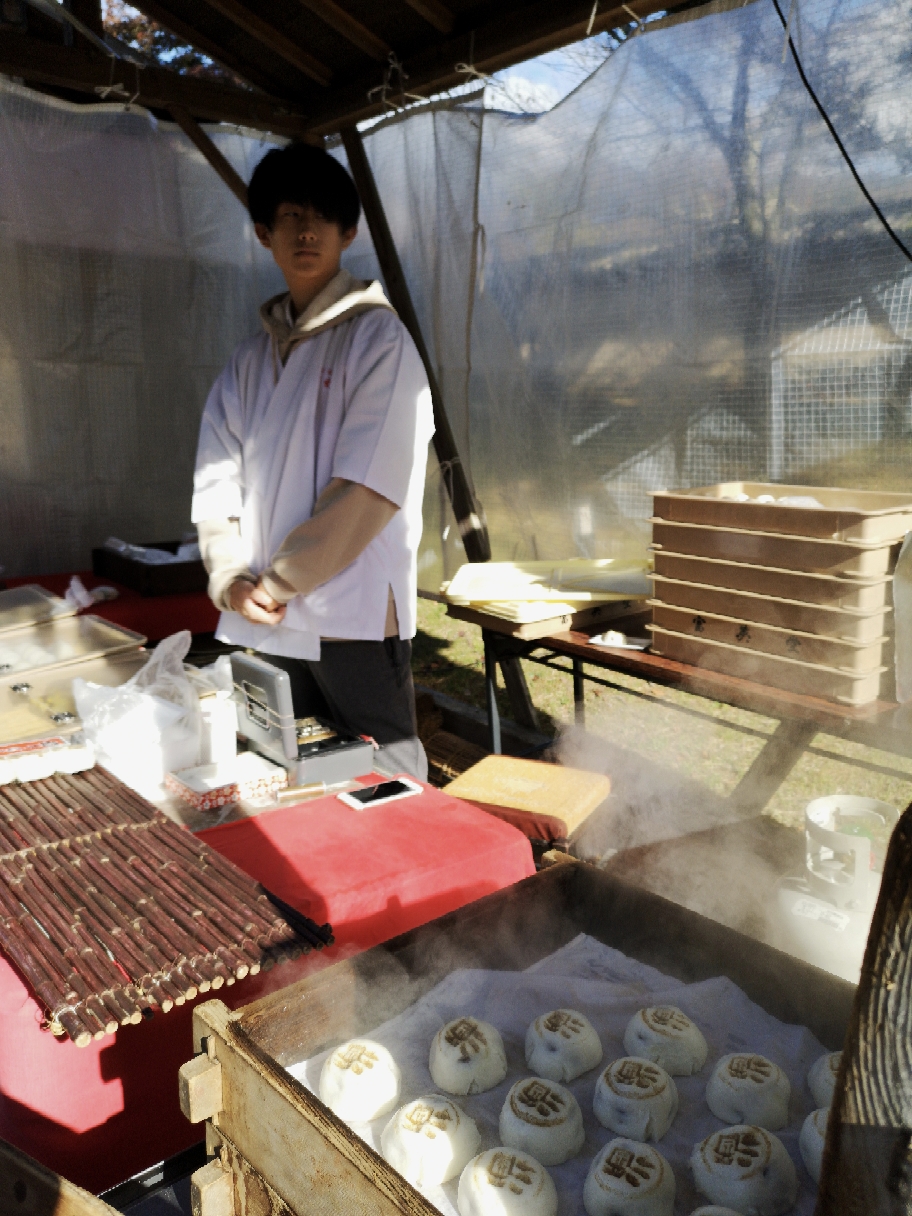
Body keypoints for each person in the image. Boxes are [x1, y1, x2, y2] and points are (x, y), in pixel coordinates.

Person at [191, 143, 434, 780]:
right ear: (263, 233)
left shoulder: (378, 340)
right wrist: (228, 578)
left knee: (384, 768)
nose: (306, 231)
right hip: (260, 615)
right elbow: (217, 482)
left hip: (348, 613)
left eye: (322, 217)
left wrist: (276, 582)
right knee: (283, 766)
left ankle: (427, 878)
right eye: (291, 216)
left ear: (347, 232)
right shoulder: (248, 362)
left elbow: (369, 490)